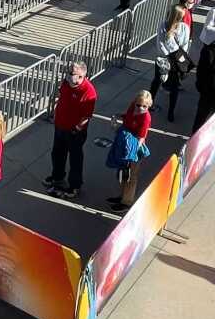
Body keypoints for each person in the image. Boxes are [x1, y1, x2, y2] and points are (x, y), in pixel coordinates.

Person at [46, 61, 96, 199]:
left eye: (71, 73)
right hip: (60, 126)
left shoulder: (88, 91)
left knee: (75, 159)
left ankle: (75, 185)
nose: (68, 75)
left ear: (81, 76)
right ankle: (57, 176)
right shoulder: (66, 83)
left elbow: (87, 116)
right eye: (68, 71)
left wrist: (77, 128)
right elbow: (61, 96)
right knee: (57, 153)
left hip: (74, 132)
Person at [105, 91, 153, 209]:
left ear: (148, 106)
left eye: (144, 106)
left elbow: (141, 137)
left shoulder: (146, 117)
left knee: (131, 176)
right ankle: (121, 196)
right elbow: (128, 118)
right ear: (135, 102)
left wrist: (132, 152)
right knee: (122, 173)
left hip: (135, 148)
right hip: (124, 143)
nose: (140, 108)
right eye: (138, 105)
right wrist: (118, 116)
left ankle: (126, 202)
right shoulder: (132, 108)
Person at [152, 0, 193, 121]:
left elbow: (185, 44)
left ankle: (171, 111)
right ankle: (150, 102)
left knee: (174, 87)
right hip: (164, 60)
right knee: (157, 81)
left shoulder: (185, 28)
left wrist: (177, 58)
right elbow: (160, 43)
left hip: (176, 62)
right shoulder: (163, 25)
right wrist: (168, 56)